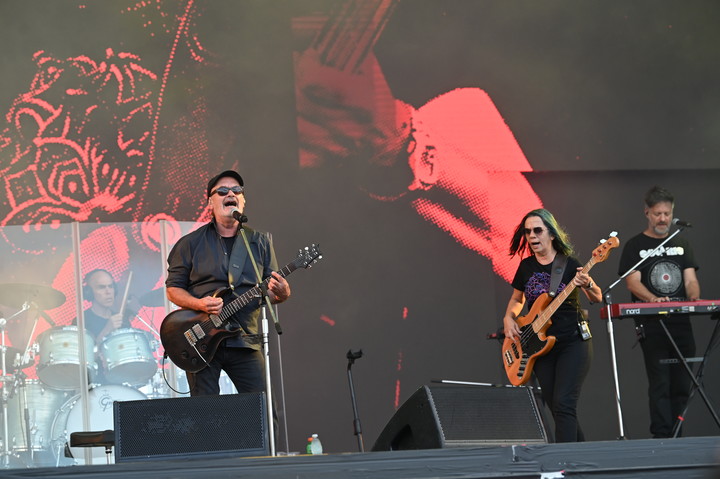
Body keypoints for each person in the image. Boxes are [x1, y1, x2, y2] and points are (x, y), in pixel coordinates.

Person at [165, 170, 291, 396]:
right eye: (222, 191)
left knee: (261, 411)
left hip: (245, 339)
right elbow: (173, 290)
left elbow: (271, 292)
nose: (230, 194)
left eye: (237, 190)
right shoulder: (190, 244)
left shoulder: (259, 242)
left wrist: (282, 293)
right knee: (206, 413)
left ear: (243, 200)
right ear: (210, 203)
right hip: (201, 339)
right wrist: (200, 304)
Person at [502, 209, 601, 442]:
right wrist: (509, 318)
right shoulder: (526, 267)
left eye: (537, 230)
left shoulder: (569, 264)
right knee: (558, 409)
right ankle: (581, 459)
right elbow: (518, 300)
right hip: (539, 346)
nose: (532, 236)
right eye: (528, 232)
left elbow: (596, 297)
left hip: (572, 342)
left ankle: (563, 465)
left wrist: (587, 283)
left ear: (552, 234)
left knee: (564, 403)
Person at [617, 186, 700, 438]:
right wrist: (655, 300)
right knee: (660, 383)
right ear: (647, 213)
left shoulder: (681, 243)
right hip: (652, 325)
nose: (663, 218)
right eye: (657, 213)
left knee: (682, 384)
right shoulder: (635, 246)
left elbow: (690, 279)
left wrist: (694, 296)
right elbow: (632, 282)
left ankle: (678, 435)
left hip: (681, 323)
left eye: (667, 213)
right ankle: (663, 438)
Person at [75, 268, 131, 340]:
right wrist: (107, 330)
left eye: (110, 286)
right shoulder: (81, 321)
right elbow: (84, 351)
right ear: (89, 292)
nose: (108, 292)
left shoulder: (122, 320)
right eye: (101, 287)